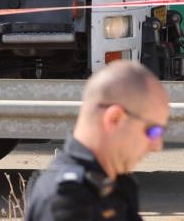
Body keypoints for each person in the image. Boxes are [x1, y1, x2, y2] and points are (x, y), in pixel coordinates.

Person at [25, 61, 170, 221]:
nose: (157, 145)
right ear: (115, 119)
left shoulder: (113, 184)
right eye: (152, 131)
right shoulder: (67, 203)